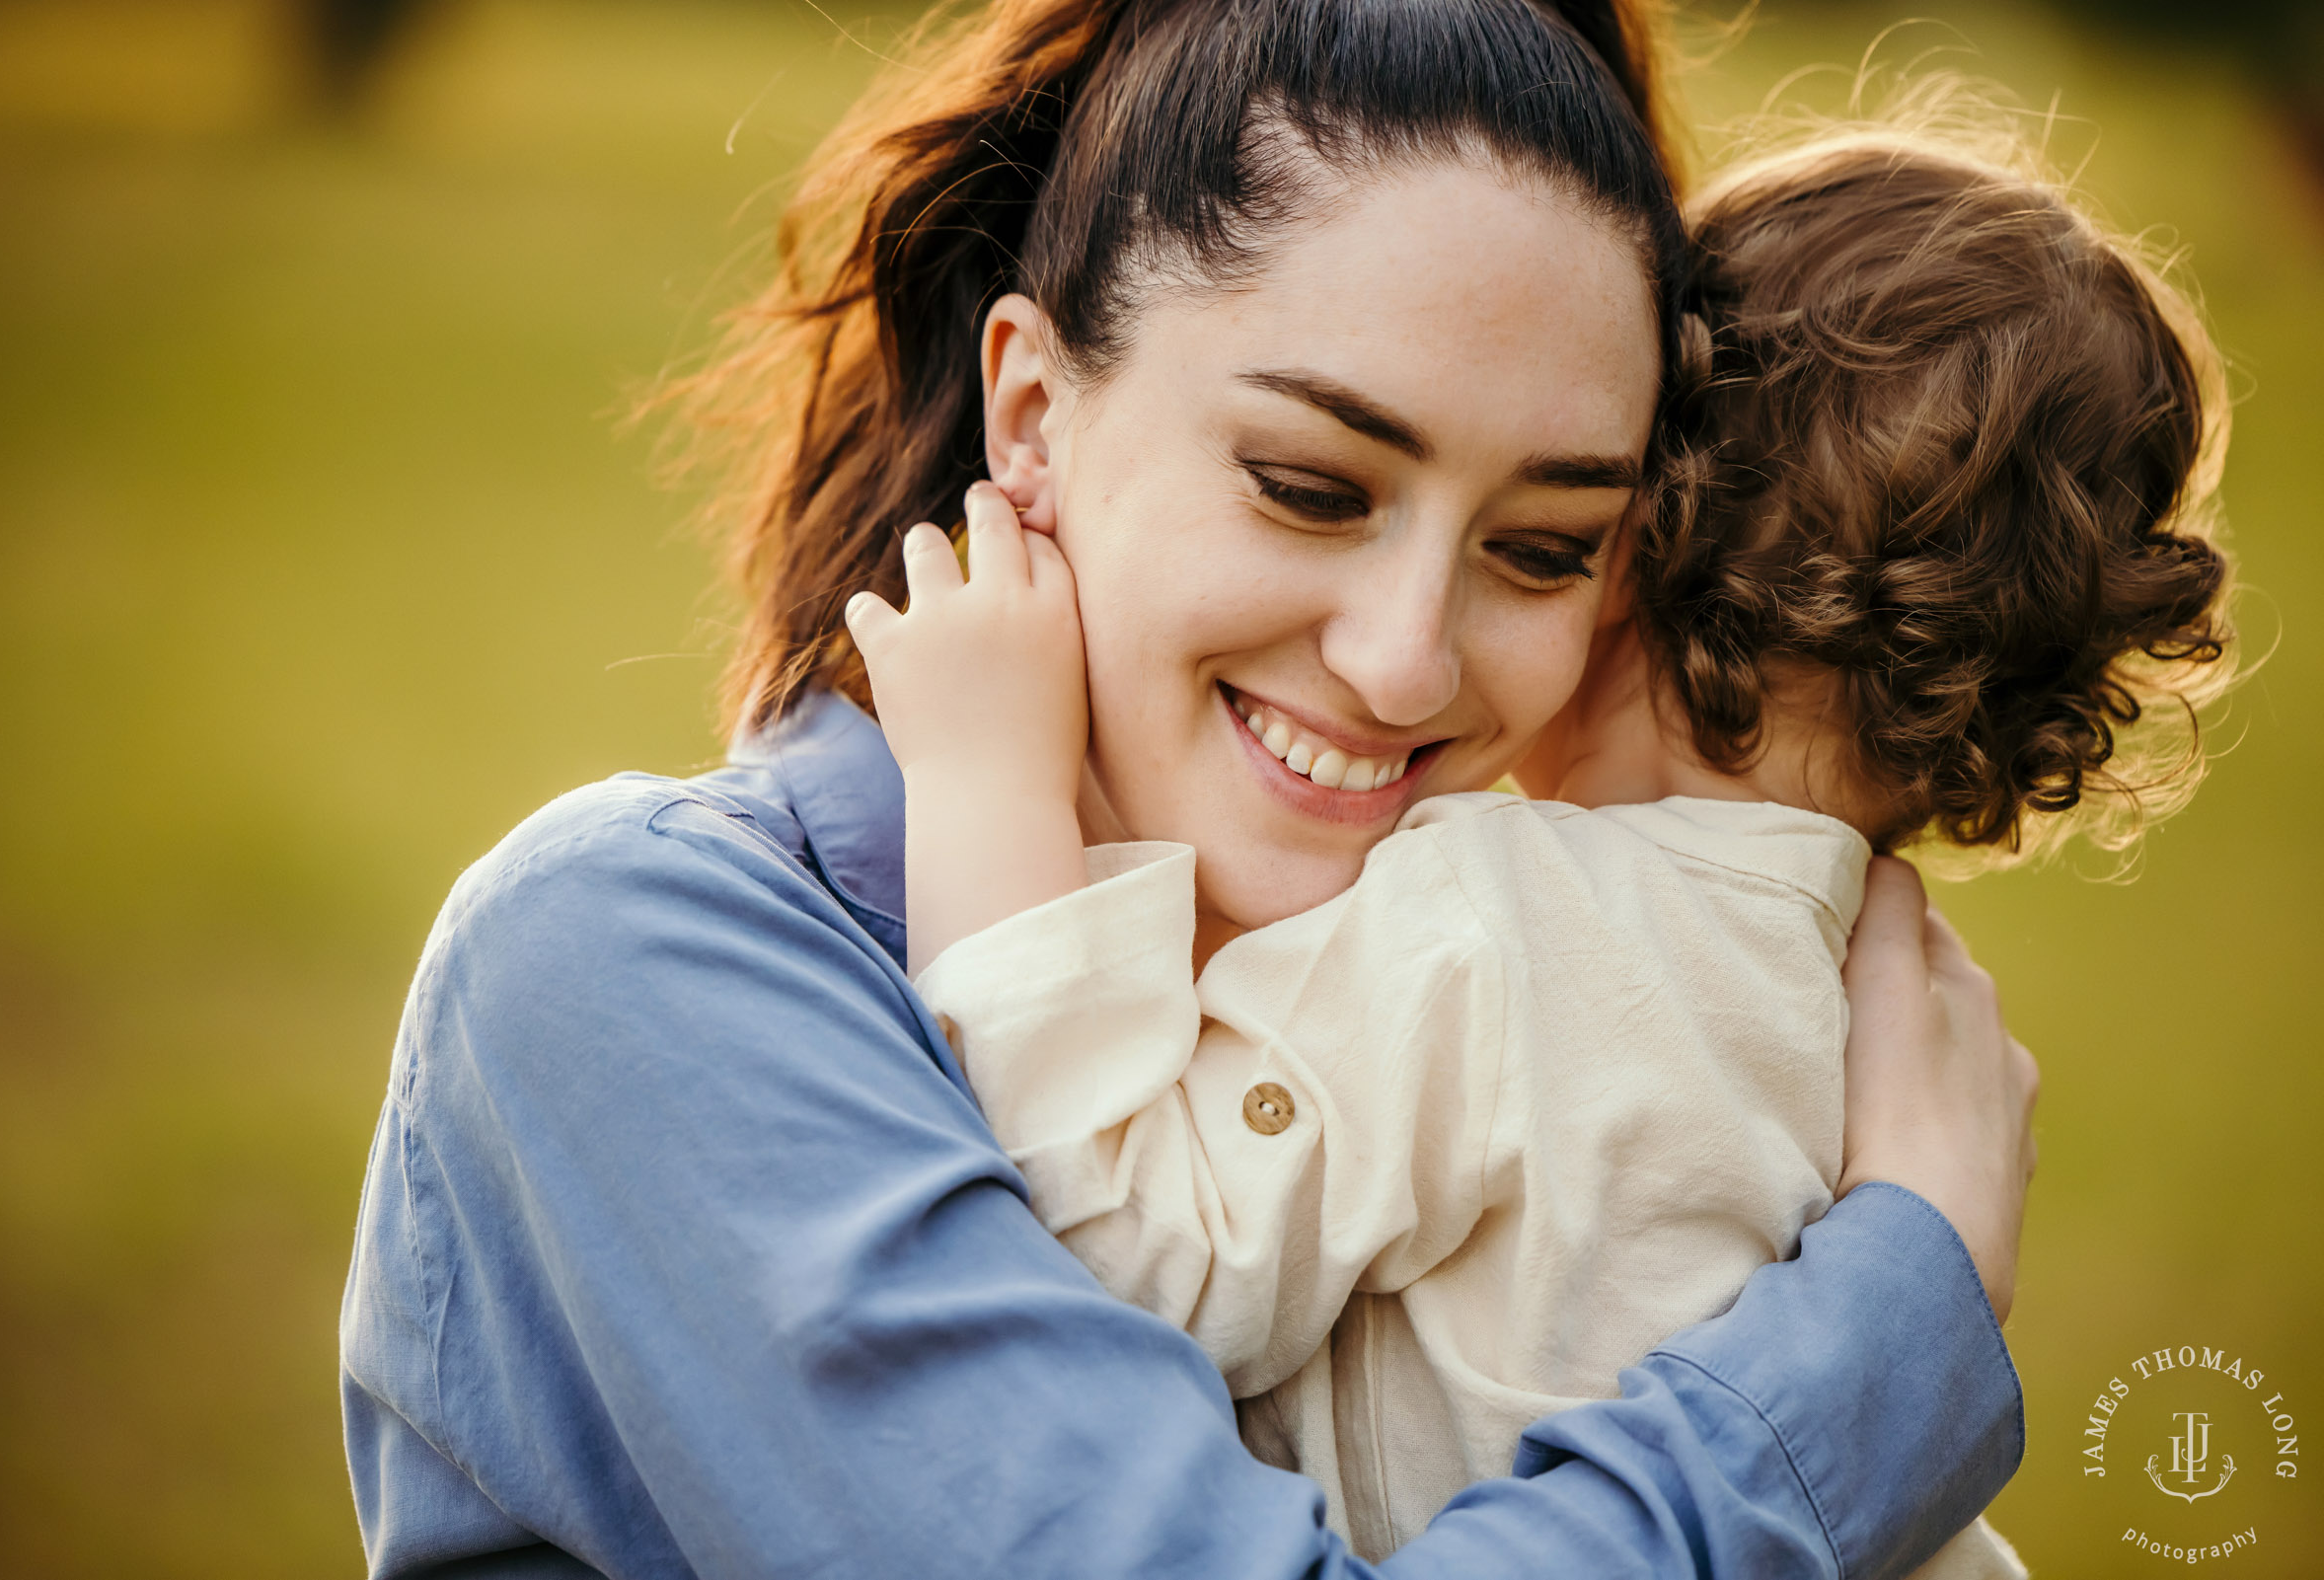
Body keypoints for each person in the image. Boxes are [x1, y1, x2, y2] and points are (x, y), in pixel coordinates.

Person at [338, 2, 2040, 1574]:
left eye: (1541, 548)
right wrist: (1890, 1313)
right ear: (1030, 412)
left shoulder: (1530, 1005)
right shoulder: (628, 958)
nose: (1403, 663)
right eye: (1310, 485)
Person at [872, 126, 2232, 1569]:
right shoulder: (1877, 1019)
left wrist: (987, 784)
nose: (1417, 656)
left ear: (1640, 541)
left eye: (1538, 540)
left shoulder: (1493, 925)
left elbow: (1129, 1264)